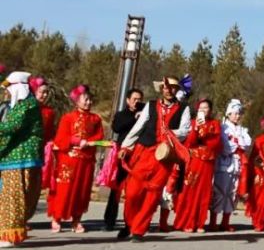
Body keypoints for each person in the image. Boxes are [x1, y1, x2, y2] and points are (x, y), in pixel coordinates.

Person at [120, 76, 192, 241]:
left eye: (172, 87)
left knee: (152, 194)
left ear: (176, 90)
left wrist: (170, 134)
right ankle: (130, 222)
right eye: (166, 87)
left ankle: (139, 230)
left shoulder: (183, 108)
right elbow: (139, 127)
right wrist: (126, 146)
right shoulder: (151, 106)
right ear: (162, 89)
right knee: (132, 192)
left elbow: (185, 130)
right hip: (145, 151)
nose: (168, 90)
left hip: (165, 157)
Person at [48, 85, 104, 233]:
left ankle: (76, 220)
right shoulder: (68, 118)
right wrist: (77, 141)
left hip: (86, 161)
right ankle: (57, 218)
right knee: (64, 190)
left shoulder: (95, 119)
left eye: (90, 99)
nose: (88, 102)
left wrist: (90, 142)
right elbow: (60, 138)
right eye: (85, 99)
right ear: (76, 101)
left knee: (82, 191)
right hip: (69, 160)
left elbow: (99, 136)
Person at [0, 71, 43, 247]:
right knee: (13, 196)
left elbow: (11, 126)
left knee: (13, 196)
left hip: (20, 157)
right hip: (15, 157)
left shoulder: (27, 105)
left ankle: (10, 236)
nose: (6, 93)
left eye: (8, 89)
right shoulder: (21, 105)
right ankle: (11, 234)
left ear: (18, 87)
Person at [173, 98, 222, 233]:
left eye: (206, 107)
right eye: (201, 108)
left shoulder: (215, 124)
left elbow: (216, 144)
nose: (203, 110)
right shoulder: (193, 123)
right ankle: (187, 221)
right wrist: (195, 129)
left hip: (208, 163)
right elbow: (190, 143)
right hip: (194, 161)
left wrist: (206, 133)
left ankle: (200, 223)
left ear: (210, 110)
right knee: (190, 189)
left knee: (204, 192)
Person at [104, 87, 144, 231]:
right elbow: (117, 127)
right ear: (128, 100)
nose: (137, 102)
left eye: (139, 99)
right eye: (134, 99)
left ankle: (132, 220)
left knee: (136, 190)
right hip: (123, 154)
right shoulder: (122, 114)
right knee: (116, 188)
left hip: (139, 155)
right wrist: (134, 119)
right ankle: (109, 220)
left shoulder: (146, 113)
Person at [211, 99, 251, 232]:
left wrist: (236, 142)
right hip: (224, 164)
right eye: (234, 113)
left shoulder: (241, 129)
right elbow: (226, 147)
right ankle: (213, 221)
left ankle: (225, 221)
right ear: (228, 114)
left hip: (237, 164)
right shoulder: (223, 128)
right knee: (219, 191)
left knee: (232, 193)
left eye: (239, 113)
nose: (237, 116)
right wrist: (237, 143)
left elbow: (246, 143)